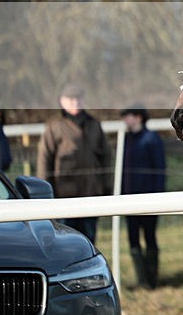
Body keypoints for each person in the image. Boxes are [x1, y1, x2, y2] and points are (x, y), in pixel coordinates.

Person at [37, 83, 111, 243]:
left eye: (78, 99)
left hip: (90, 195)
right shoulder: (54, 127)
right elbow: (45, 160)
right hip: (63, 197)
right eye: (70, 99)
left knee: (89, 242)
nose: (75, 103)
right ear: (62, 101)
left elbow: (105, 157)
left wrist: (106, 187)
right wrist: (44, 194)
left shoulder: (94, 124)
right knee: (66, 242)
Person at [120, 105, 166, 289]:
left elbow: (160, 169)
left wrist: (157, 197)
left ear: (138, 117)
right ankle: (142, 280)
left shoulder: (152, 139)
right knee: (133, 238)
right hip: (128, 200)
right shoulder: (126, 140)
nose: (125, 120)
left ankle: (152, 279)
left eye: (128, 116)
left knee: (149, 237)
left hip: (149, 200)